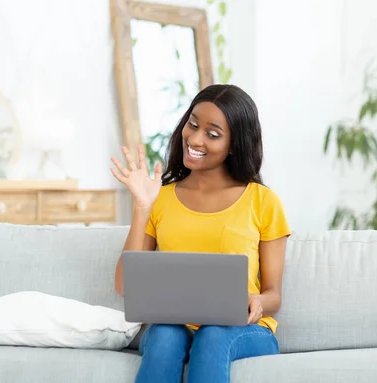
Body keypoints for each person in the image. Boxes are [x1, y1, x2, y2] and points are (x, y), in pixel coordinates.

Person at [110, 84, 291, 383]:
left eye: (213, 134)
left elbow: (274, 295)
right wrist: (142, 207)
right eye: (192, 125)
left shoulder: (263, 201)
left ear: (234, 144)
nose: (194, 138)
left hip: (242, 330)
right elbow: (124, 285)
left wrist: (257, 301)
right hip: (174, 324)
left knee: (213, 334)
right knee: (165, 334)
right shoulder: (160, 199)